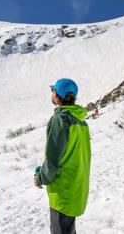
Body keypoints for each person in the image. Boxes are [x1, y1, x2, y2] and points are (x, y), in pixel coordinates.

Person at [34, 79, 91, 234]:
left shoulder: (61, 119)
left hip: (63, 190)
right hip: (76, 186)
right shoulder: (81, 121)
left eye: (53, 90)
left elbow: (53, 160)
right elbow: (69, 154)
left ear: (58, 95)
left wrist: (40, 177)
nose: (51, 93)